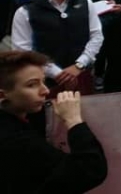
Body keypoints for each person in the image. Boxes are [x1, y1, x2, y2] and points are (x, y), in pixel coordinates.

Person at [0, 51, 108, 193]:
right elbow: (89, 171)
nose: (45, 91)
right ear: (2, 95)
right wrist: (74, 120)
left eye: (43, 81)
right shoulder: (17, 141)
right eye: (32, 85)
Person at [11, 0, 104, 94]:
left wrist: (80, 64)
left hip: (81, 73)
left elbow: (96, 36)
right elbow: (23, 50)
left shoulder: (85, 3)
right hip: (44, 81)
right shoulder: (25, 11)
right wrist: (57, 73)